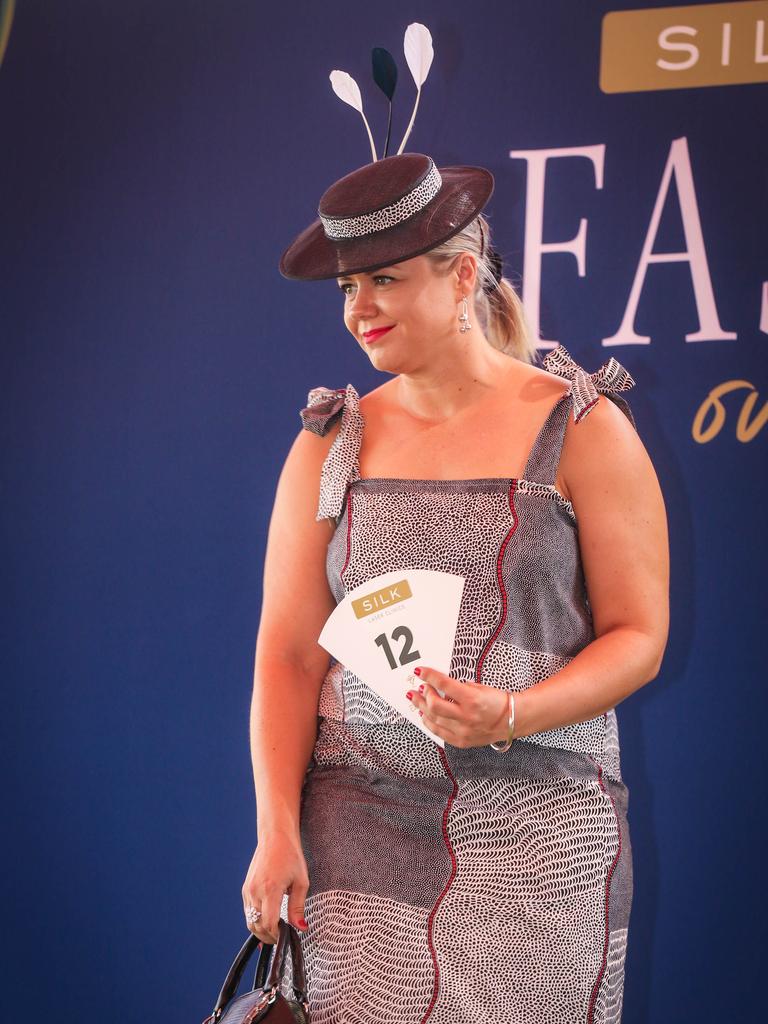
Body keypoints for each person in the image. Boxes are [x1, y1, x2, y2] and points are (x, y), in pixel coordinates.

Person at [241, 152, 669, 1023]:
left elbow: (640, 635)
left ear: (463, 275)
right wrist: (276, 827)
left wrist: (513, 715)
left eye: (382, 281)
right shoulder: (329, 444)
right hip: (356, 827)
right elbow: (287, 655)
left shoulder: (583, 429)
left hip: (544, 835)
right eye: (347, 288)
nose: (358, 309)